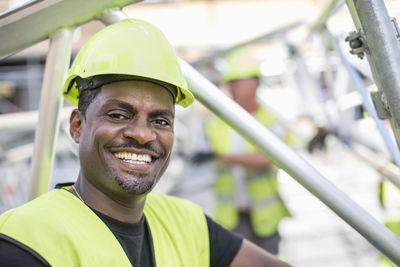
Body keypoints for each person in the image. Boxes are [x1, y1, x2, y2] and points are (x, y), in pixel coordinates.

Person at [0, 19, 291, 267]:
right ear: (77, 126)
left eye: (160, 121)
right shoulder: (23, 241)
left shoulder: (186, 222)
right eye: (118, 114)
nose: (142, 134)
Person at [192, 47, 292, 255]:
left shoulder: (271, 121)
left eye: (236, 81)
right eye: (230, 82)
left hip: (263, 216)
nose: (231, 87)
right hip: (230, 216)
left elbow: (267, 159)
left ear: (254, 82)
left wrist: (221, 157)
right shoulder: (216, 122)